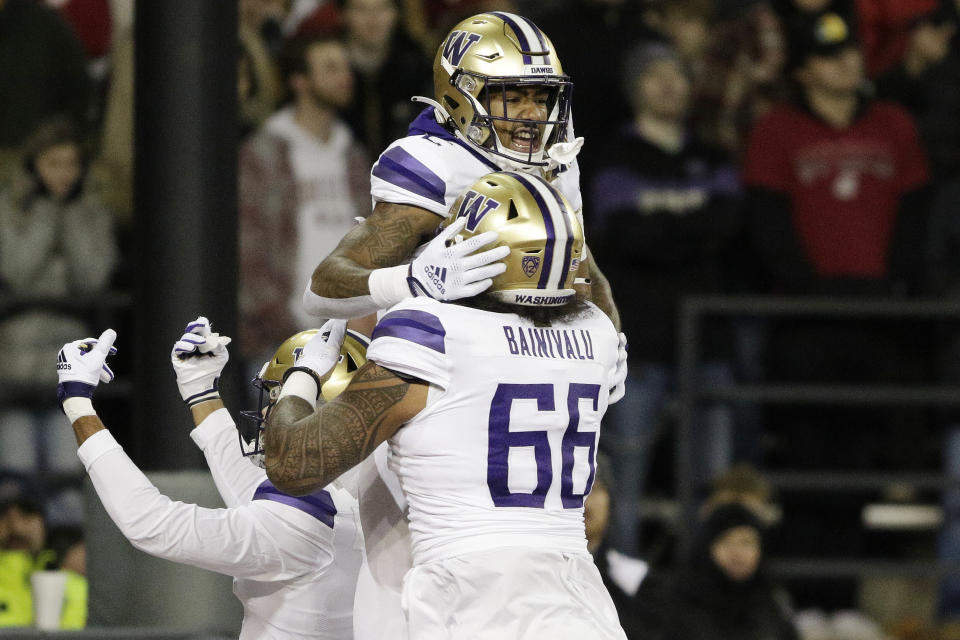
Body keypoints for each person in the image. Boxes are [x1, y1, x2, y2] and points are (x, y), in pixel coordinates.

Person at [264, 171, 628, 639]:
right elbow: (588, 292)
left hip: (473, 597)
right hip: (578, 598)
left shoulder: (432, 331)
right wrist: (563, 207)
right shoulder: (597, 332)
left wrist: (303, 375)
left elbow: (292, 463)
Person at [301, 10, 620, 334]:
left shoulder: (555, 161)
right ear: (465, 97)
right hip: (444, 368)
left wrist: (609, 342)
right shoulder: (436, 165)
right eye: (514, 97)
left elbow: (584, 275)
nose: (534, 114)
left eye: (542, 97)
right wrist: (411, 280)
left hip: (532, 367)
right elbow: (320, 291)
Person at [53, 317, 366, 639]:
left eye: (278, 400)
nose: (263, 415)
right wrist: (201, 391)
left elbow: (149, 521)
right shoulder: (368, 489)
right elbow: (249, 486)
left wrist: (77, 402)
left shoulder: (304, 517)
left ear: (326, 414)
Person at [590, 41, 742, 561]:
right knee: (623, 477)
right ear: (635, 87)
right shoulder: (612, 155)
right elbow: (626, 236)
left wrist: (663, 229)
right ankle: (625, 593)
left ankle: (707, 593)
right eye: (655, 75)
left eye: (677, 73)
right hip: (641, 341)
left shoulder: (713, 155)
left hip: (710, 341)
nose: (669, 84)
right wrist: (690, 226)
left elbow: (729, 227)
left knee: (714, 481)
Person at [0, 116, 118, 520]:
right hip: (14, 362)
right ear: (34, 166)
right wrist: (48, 213)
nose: (64, 174)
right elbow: (17, 271)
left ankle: (67, 574)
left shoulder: (90, 211)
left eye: (71, 163)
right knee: (17, 485)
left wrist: (68, 218)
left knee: (69, 482)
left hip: (69, 360)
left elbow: (93, 277)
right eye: (53, 163)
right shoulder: (8, 207)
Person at [239, 33, 371, 366]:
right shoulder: (263, 154)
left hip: (356, 334)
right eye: (330, 68)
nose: (345, 77)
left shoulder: (353, 154)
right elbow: (246, 250)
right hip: (282, 338)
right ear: (299, 81)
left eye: (345, 67)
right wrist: (287, 324)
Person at [635, 502, 800, 640]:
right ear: (708, 547)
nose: (737, 553)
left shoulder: (771, 603)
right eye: (726, 542)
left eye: (746, 543)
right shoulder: (678, 599)